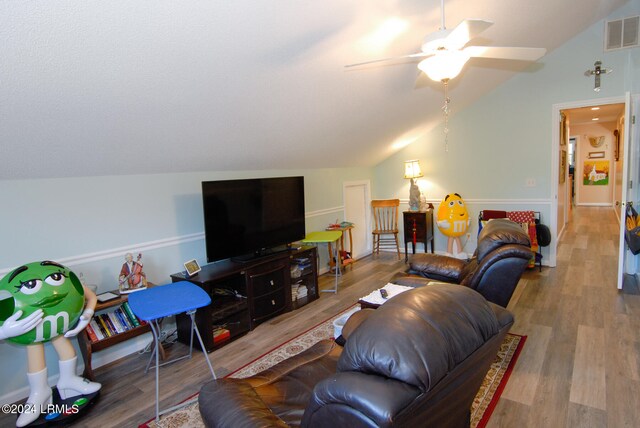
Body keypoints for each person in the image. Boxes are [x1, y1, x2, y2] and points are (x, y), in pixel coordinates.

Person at [0, 261, 101, 426]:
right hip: (34, 334)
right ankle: (39, 392)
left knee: (66, 350)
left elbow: (91, 297)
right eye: (30, 284)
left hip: (58, 328)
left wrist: (87, 315)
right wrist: (5, 331)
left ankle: (69, 380)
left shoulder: (67, 282)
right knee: (34, 348)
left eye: (55, 277)